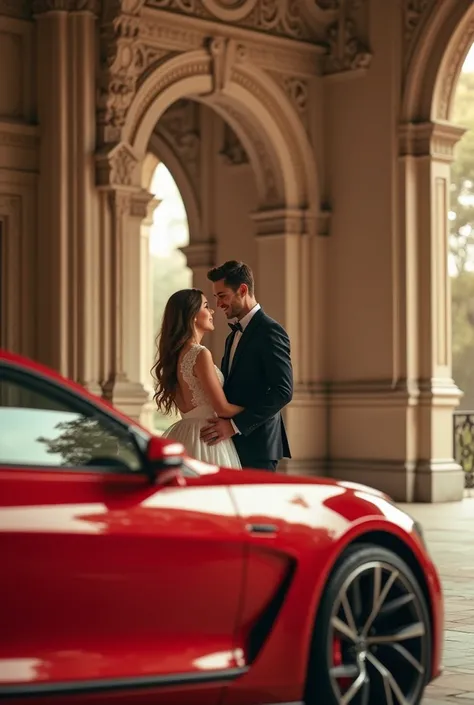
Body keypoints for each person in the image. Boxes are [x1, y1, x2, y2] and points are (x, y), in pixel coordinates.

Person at [201, 260, 293, 471]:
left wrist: (234, 426)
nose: (219, 304)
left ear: (242, 290)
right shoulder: (232, 336)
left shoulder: (270, 331)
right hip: (229, 446)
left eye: (222, 296)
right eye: (215, 298)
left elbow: (283, 391)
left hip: (258, 446)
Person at [151, 288, 242, 468]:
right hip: (208, 437)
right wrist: (259, 410)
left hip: (184, 433)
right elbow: (222, 409)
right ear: (192, 315)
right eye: (206, 306)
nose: (212, 311)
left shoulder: (174, 356)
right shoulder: (200, 354)